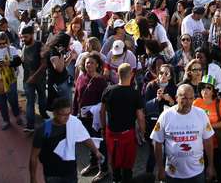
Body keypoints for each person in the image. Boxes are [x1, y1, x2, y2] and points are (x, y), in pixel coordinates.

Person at [29, 97, 104, 183]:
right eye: (63, 114)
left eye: (69, 114)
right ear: (54, 113)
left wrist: (96, 151)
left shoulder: (73, 122)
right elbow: (33, 156)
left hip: (70, 172)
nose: (67, 117)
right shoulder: (44, 129)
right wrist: (33, 178)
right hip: (52, 174)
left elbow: (85, 138)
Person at [151, 84, 215, 183]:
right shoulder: (166, 116)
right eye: (184, 98)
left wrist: (211, 165)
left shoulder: (201, 114)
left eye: (191, 98)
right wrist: (160, 168)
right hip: (173, 174)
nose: (188, 102)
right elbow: (157, 142)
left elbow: (208, 141)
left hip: (197, 173)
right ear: (176, 98)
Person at [100, 63, 146, 183]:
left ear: (117, 74)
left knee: (114, 162)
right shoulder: (135, 93)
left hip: (112, 133)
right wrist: (142, 131)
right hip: (128, 134)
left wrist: (103, 128)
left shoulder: (108, 90)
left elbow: (102, 111)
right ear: (131, 74)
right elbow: (140, 117)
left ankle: (116, 179)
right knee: (127, 164)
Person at [72, 53, 109, 182]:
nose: (89, 65)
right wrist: (74, 114)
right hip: (83, 118)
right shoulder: (81, 77)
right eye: (87, 62)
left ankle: (103, 169)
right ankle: (93, 163)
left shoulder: (101, 81)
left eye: (92, 63)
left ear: (98, 64)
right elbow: (76, 96)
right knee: (89, 142)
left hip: (96, 120)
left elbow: (105, 103)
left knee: (100, 144)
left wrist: (96, 112)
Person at [193, 75, 221, 183]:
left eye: (209, 88)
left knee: (219, 170)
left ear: (213, 91)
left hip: (215, 143)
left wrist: (208, 127)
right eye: (203, 87)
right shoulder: (196, 103)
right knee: (201, 171)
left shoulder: (220, 103)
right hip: (199, 144)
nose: (205, 90)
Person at [0, 31, 23, 130]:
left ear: (7, 41)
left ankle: (17, 116)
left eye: (4, 43)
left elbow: (18, 61)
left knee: (13, 99)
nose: (2, 45)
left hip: (11, 78)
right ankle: (6, 120)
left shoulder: (12, 49)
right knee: (1, 101)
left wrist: (9, 63)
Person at [21, 25, 49, 133]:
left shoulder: (39, 45)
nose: (24, 39)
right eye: (22, 37)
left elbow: (44, 65)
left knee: (42, 97)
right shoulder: (24, 46)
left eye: (26, 37)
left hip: (39, 79)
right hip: (28, 80)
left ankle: (43, 113)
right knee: (30, 102)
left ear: (32, 35)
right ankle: (30, 125)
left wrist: (34, 77)